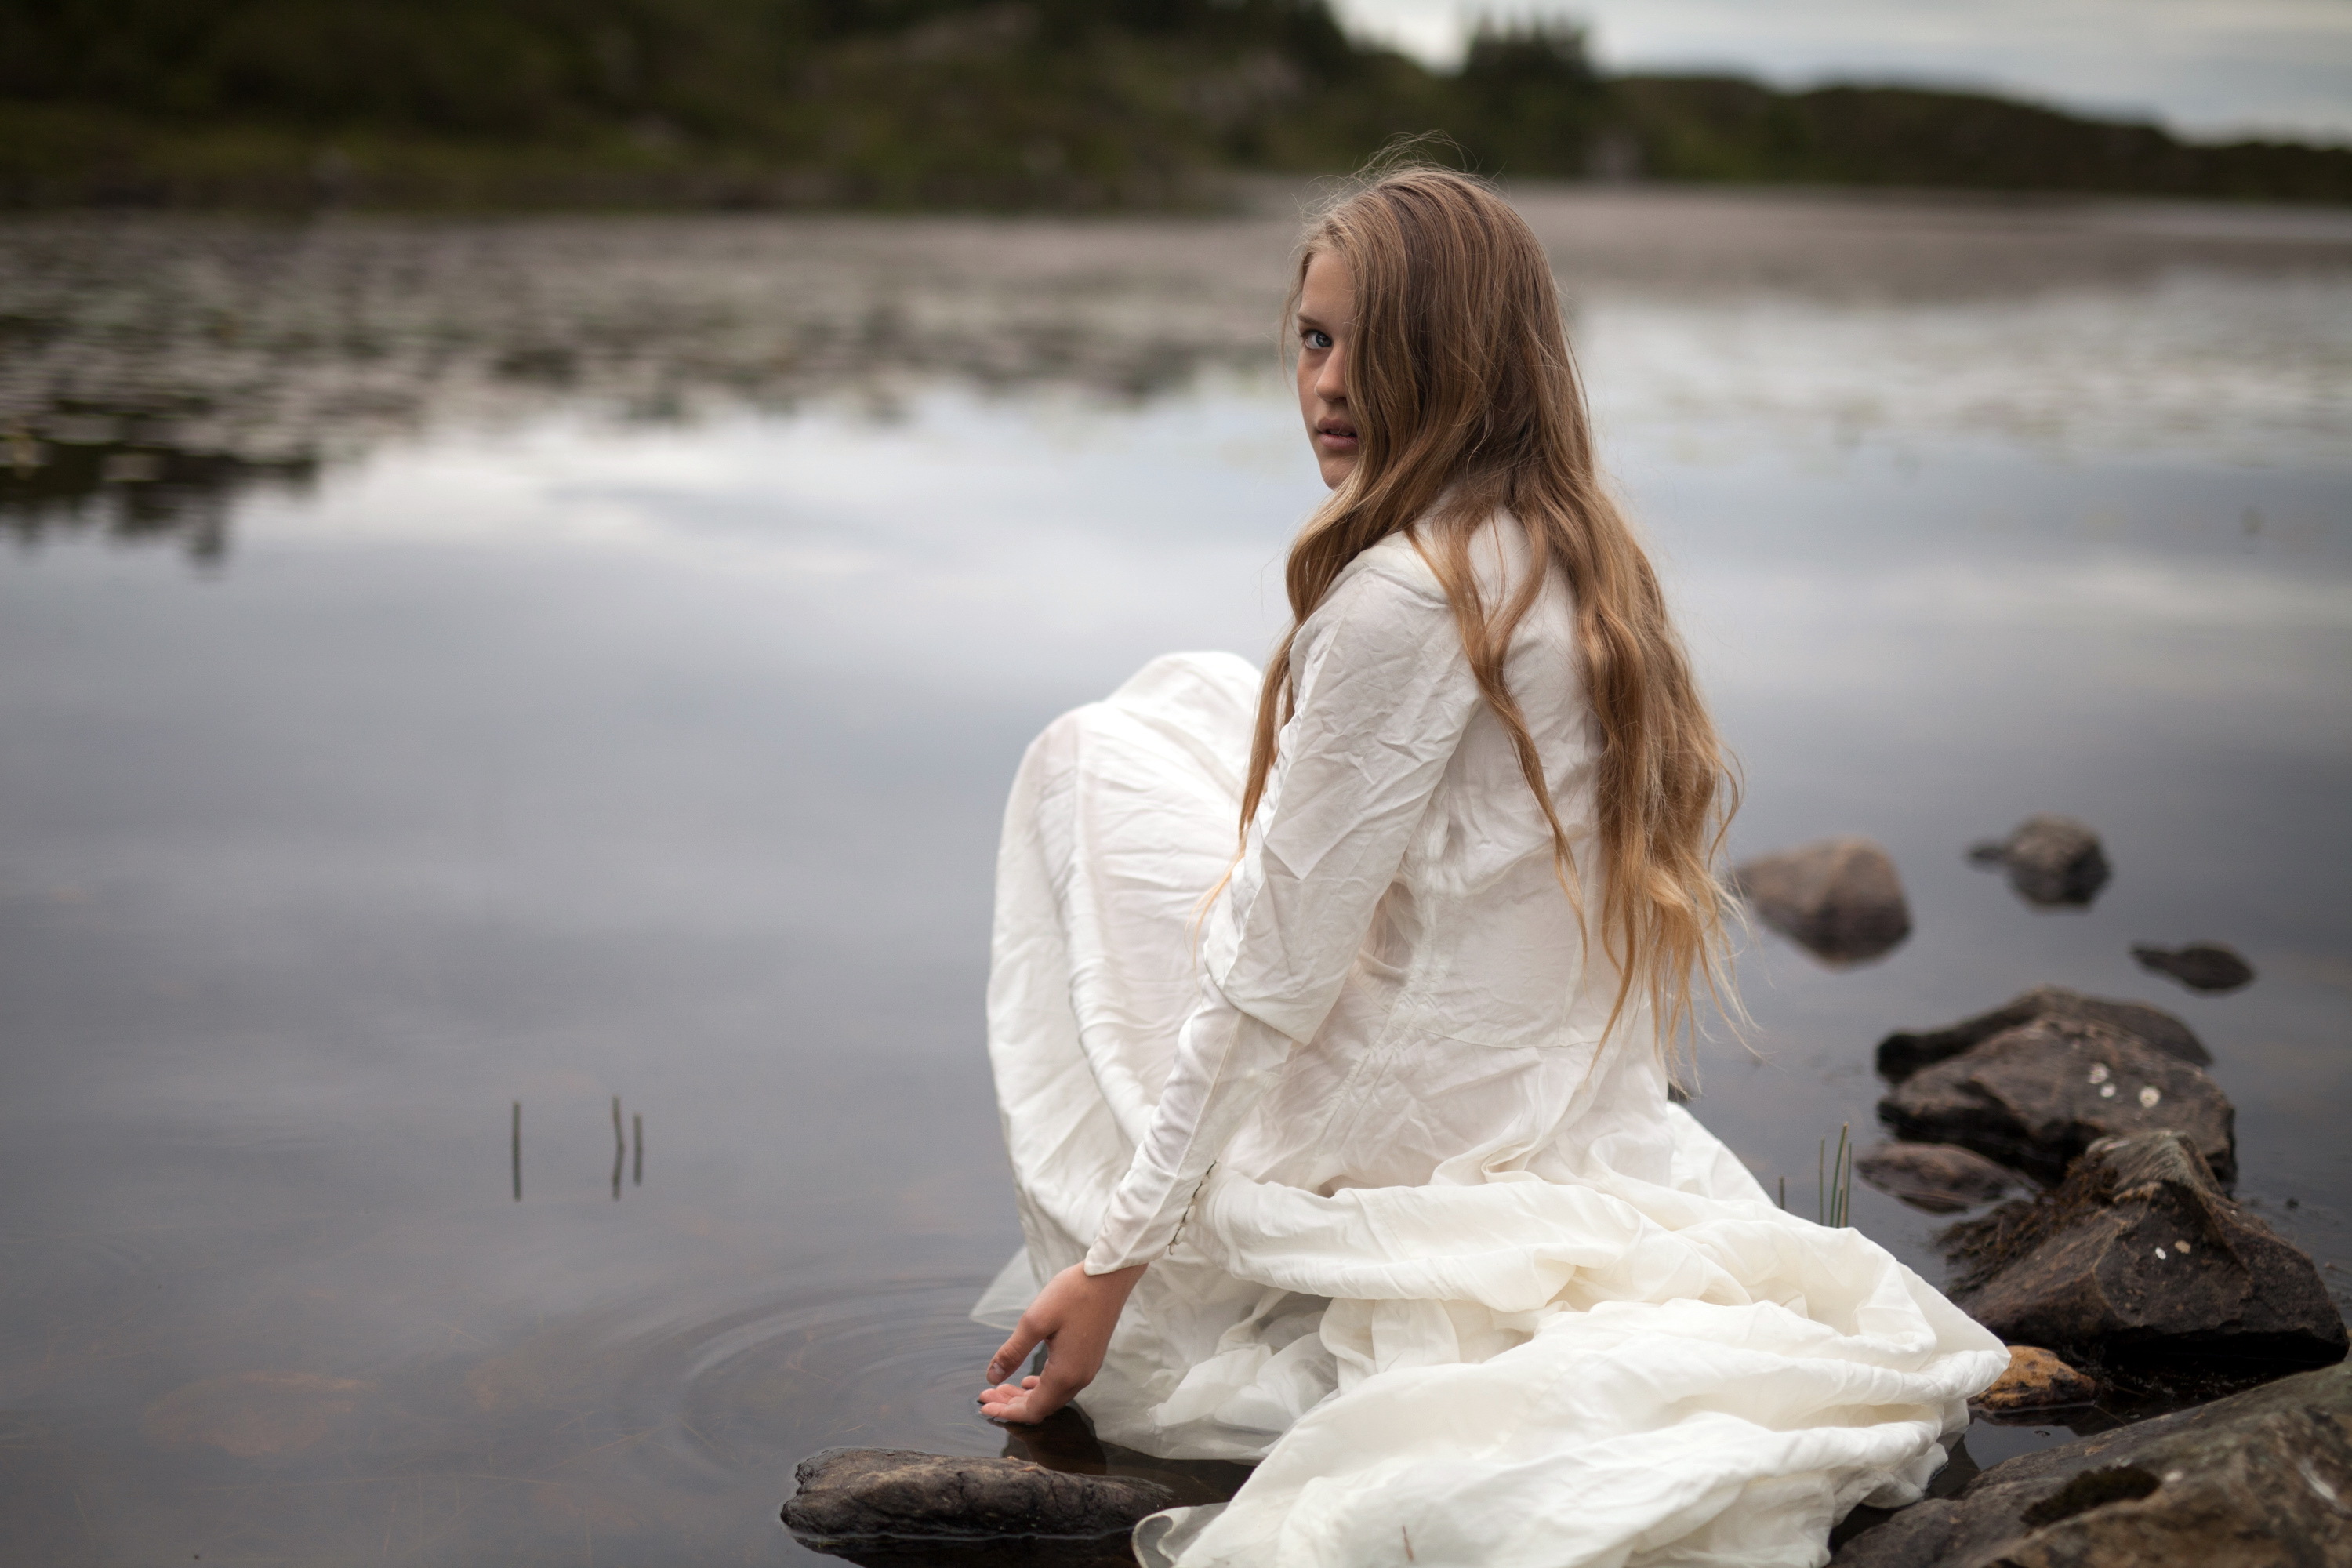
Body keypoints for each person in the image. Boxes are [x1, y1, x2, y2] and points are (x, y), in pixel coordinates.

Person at [971, 165, 2005, 1567]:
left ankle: (1181, 1266)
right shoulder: (1569, 548)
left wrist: (1118, 1260)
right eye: (1311, 337)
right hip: (1512, 1062)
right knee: (1196, 699)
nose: (1326, 386)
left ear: (1461, 361)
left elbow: (1270, 980)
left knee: (1084, 766)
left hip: (1398, 1118)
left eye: (1369, 345)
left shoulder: (1406, 590)